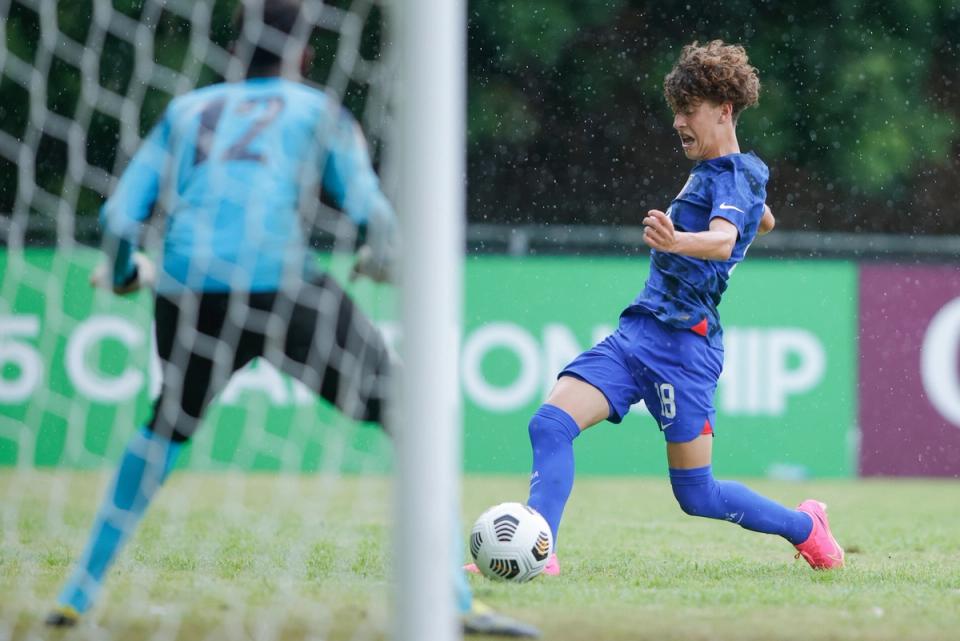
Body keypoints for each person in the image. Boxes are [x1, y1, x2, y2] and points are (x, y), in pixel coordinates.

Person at [45, 1, 538, 636]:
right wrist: (382, 262)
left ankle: (77, 594)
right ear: (304, 55)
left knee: (166, 425)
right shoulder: (316, 111)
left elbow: (117, 219)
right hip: (282, 286)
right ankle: (455, 603)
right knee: (410, 414)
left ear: (233, 53)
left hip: (188, 292)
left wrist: (121, 274)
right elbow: (376, 217)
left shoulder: (186, 111)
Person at [473, 40, 843, 577]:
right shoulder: (724, 173)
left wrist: (677, 241)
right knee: (549, 424)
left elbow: (722, 240)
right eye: (676, 110)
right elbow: (761, 221)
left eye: (688, 110)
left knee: (697, 495)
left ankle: (806, 526)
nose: (678, 122)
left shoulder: (736, 173)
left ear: (724, 110)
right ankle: (540, 551)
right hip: (638, 333)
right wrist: (755, 220)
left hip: (685, 349)